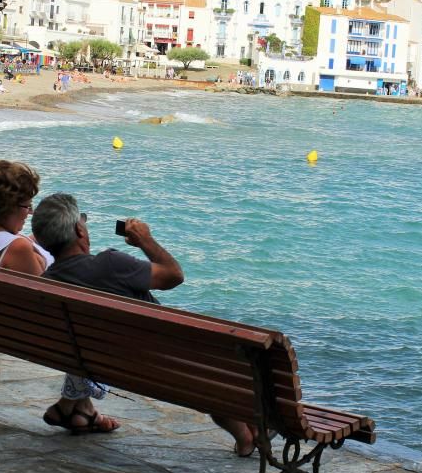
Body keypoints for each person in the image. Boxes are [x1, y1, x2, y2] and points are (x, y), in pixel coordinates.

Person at [30, 193, 257, 455]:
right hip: (165, 363)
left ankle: (246, 435)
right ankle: (248, 435)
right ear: (80, 230)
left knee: (199, 368)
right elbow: (174, 275)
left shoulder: (47, 282)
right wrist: (145, 240)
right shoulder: (110, 264)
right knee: (214, 368)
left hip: (107, 363)